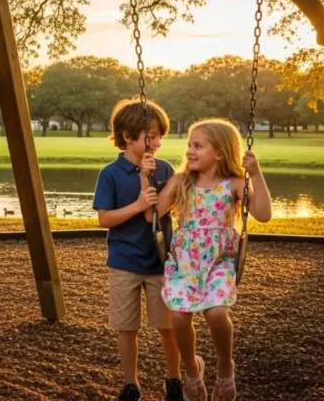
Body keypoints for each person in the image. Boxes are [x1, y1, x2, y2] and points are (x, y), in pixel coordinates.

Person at [156, 119, 273, 401]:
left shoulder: (233, 184)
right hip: (184, 262)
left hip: (219, 261)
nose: (190, 151)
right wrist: (145, 179)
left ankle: (224, 367)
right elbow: (153, 215)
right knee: (180, 318)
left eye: (198, 146)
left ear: (219, 153)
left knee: (217, 313)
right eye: (189, 145)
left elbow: (263, 213)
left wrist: (255, 174)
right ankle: (192, 369)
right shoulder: (181, 181)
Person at [94, 98, 183, 401]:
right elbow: (105, 218)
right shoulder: (110, 174)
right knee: (126, 328)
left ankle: (174, 379)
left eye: (160, 136)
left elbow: (161, 213)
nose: (157, 142)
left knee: (167, 327)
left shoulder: (166, 169)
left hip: (160, 260)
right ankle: (130, 384)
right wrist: (137, 205)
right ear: (128, 136)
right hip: (123, 261)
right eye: (152, 136)